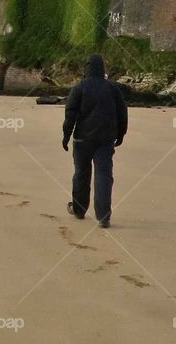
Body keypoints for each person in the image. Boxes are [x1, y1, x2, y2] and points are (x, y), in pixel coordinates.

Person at [62, 54, 127, 227]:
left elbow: (70, 114)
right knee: (103, 175)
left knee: (81, 174)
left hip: (82, 139)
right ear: (102, 69)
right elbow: (122, 114)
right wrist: (121, 135)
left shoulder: (79, 88)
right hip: (105, 140)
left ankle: (79, 209)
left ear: (87, 69)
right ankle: (103, 216)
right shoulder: (113, 89)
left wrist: (66, 136)